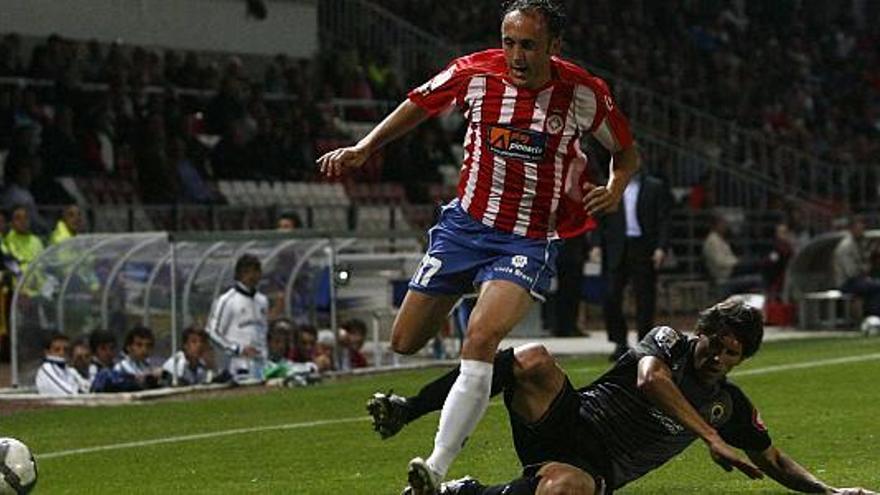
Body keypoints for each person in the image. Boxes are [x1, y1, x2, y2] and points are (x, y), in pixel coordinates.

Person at [317, 1, 639, 489]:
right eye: (509, 42)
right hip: (465, 228)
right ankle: (474, 307)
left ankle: (436, 466)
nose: (516, 54)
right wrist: (364, 148)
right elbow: (417, 104)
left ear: (554, 46)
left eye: (528, 45)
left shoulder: (582, 92)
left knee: (481, 339)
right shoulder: (473, 72)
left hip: (527, 238)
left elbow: (626, 152)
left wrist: (614, 189)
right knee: (404, 342)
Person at [369, 299, 876, 495]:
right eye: (715, 344)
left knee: (564, 489)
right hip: (569, 418)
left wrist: (831, 494)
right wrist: (709, 439)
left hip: (599, 467)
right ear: (702, 332)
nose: (718, 358)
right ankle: (408, 410)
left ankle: (465, 493)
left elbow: (777, 461)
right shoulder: (668, 342)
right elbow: (650, 380)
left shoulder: (731, 407)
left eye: (732, 354)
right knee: (533, 359)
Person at [595, 170, 672, 360]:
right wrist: (595, 244)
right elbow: (598, 217)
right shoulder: (609, 186)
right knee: (611, 296)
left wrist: (661, 247)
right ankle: (619, 342)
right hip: (616, 246)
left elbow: (664, 219)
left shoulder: (655, 186)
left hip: (643, 246)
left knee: (645, 298)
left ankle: (644, 342)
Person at [205, 253, 269, 381]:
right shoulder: (227, 300)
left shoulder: (262, 300)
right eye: (248, 271)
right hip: (237, 364)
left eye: (256, 271)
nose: (253, 275)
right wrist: (237, 349)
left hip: (261, 363)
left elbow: (263, 330)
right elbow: (212, 331)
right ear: (240, 274)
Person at [702, 216, 762, 296]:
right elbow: (720, 262)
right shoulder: (712, 241)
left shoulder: (719, 239)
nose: (725, 226)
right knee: (758, 276)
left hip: (731, 271)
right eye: (722, 224)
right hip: (725, 277)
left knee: (755, 263)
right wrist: (736, 262)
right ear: (716, 225)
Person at [833, 216, 880, 317]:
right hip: (846, 283)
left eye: (862, 229)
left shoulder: (858, 243)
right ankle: (873, 316)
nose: (861, 231)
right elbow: (851, 273)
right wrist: (865, 269)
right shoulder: (846, 246)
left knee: (874, 286)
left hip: (857, 280)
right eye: (859, 229)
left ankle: (870, 315)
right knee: (877, 286)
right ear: (852, 229)